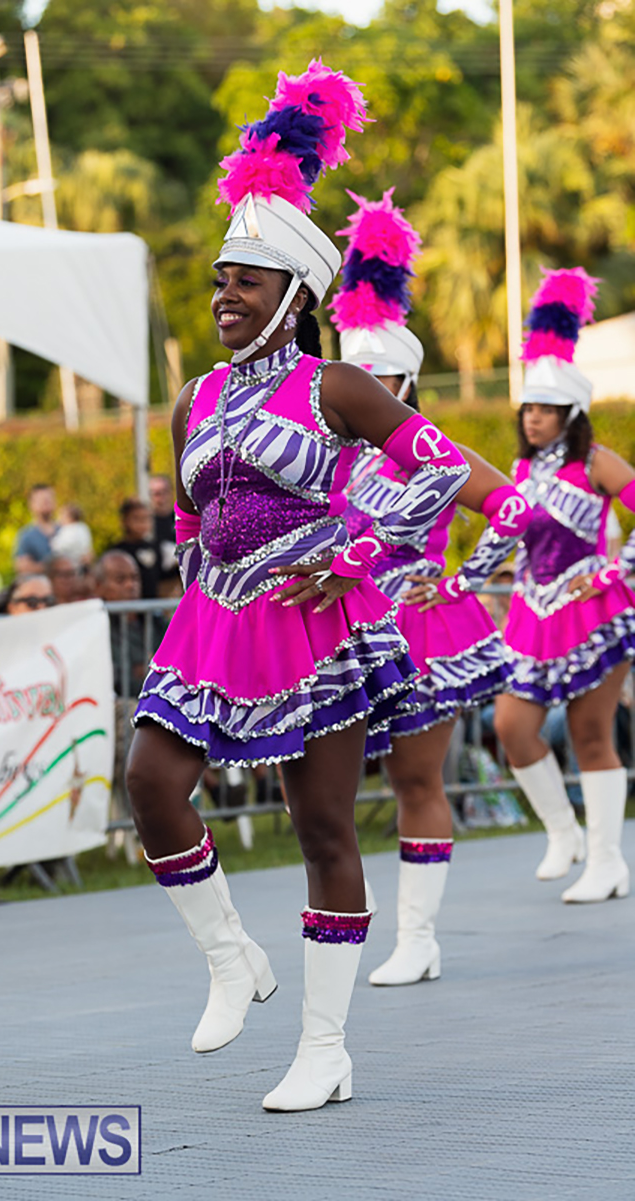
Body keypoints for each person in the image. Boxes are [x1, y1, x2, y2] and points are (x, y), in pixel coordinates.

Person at [124, 63, 470, 1113]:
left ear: (294, 298)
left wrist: (358, 555)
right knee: (150, 781)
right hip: (214, 622)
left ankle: (325, 1047)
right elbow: (189, 518)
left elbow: (440, 468)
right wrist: (197, 596)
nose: (223, 297)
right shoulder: (192, 399)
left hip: (315, 625)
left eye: (246, 282)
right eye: (219, 281)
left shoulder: (336, 387)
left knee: (322, 827)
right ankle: (231, 957)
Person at [332, 190, 532, 986]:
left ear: (407, 382)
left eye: (380, 377)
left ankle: (416, 937)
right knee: (320, 793)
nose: (367, 388)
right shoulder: (322, 453)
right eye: (356, 376)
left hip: (418, 633)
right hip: (337, 628)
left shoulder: (434, 449)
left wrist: (459, 580)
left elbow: (513, 509)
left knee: (415, 778)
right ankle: (342, 924)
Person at [494, 267, 634, 903]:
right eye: (528, 408)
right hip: (532, 613)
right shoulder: (521, 469)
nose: (533, 418)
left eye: (545, 409)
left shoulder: (595, 462)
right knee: (512, 726)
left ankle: (607, 861)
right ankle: (563, 832)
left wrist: (614, 570)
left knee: (590, 734)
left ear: (570, 414)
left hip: (593, 609)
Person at [93, 549, 148, 866]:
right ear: (99, 586)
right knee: (135, 717)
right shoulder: (96, 626)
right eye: (120, 579)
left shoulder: (153, 618)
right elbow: (117, 676)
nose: (130, 585)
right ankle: (146, 820)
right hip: (118, 713)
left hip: (160, 705)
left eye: (134, 578)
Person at [109, 497, 161, 599]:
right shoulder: (117, 551)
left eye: (146, 518)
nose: (142, 523)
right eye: (136, 518)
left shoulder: (155, 547)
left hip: (153, 605)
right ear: (125, 521)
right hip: (127, 604)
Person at [14, 484, 60, 575]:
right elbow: (22, 566)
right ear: (32, 505)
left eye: (49, 500)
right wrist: (55, 569)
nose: (46, 503)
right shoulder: (26, 535)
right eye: (42, 500)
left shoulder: (66, 530)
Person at [149, 473, 181, 595]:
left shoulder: (181, 520)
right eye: (156, 494)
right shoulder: (147, 524)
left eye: (165, 492)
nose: (161, 498)